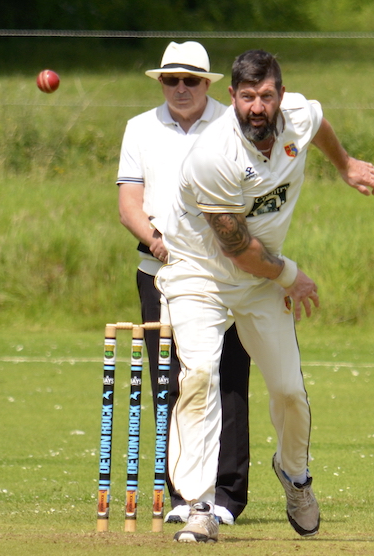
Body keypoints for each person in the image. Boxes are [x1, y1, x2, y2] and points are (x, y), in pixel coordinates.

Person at [158, 49, 374, 543]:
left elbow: (318, 124)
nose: (257, 107)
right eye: (246, 98)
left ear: (281, 95)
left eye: (265, 96)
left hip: (261, 280)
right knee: (198, 375)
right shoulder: (211, 157)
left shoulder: (299, 115)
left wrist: (344, 165)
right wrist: (292, 277)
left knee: (288, 390)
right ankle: (199, 503)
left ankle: (295, 477)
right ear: (232, 98)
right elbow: (238, 249)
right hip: (201, 274)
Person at [115, 41, 252, 526]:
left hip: (226, 274)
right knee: (171, 379)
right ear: (161, 83)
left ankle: (228, 498)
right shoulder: (140, 128)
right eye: (171, 80)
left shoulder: (232, 124)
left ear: (207, 84)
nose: (180, 88)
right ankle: (185, 495)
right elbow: (130, 200)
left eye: (190, 80)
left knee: (228, 380)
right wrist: (154, 240)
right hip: (161, 273)